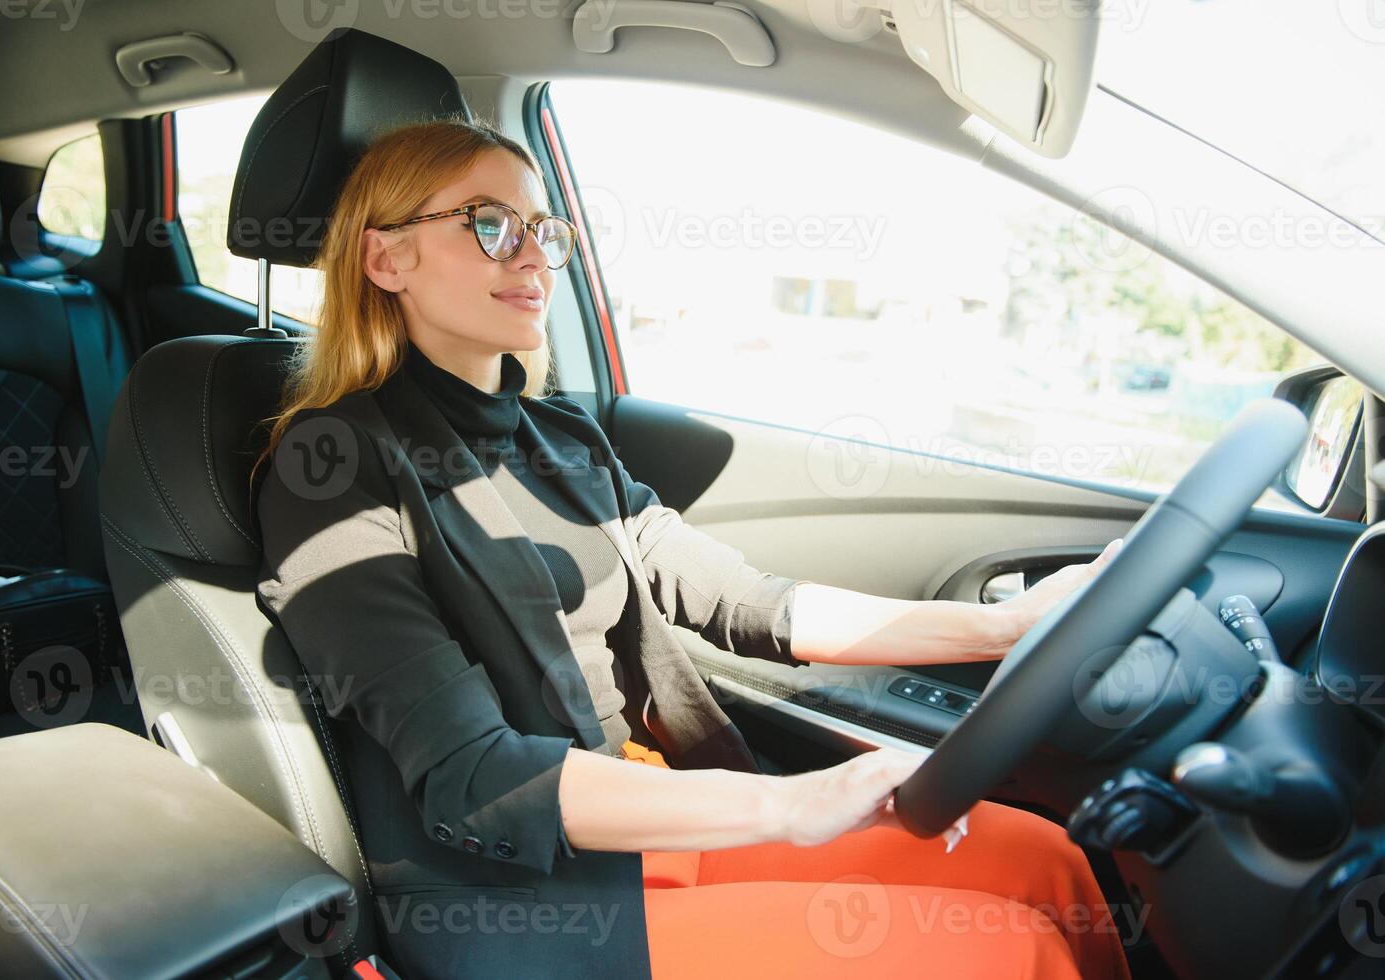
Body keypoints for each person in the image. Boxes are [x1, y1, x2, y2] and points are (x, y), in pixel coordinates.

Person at [253, 117, 1131, 980]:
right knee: (1010, 952)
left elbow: (748, 601)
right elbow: (473, 776)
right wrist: (784, 804)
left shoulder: (562, 441)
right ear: (385, 259)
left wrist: (1007, 627)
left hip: (652, 812)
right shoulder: (328, 470)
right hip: (523, 893)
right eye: (489, 224)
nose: (531, 256)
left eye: (542, 229)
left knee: (1046, 859)